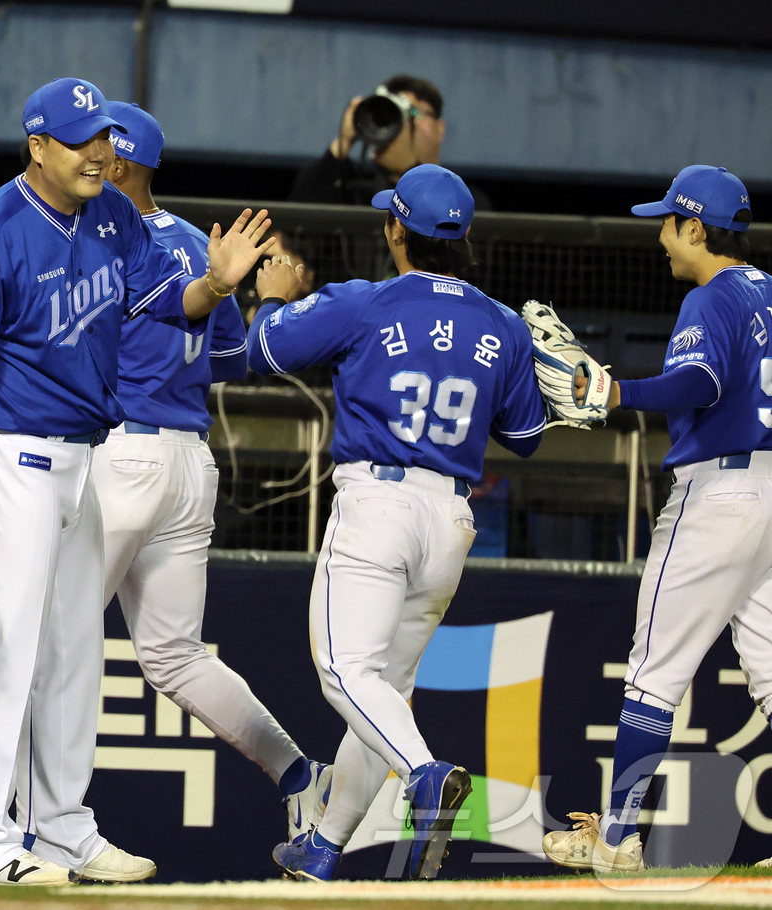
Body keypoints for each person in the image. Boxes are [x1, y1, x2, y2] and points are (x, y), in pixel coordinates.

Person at [0, 101, 334, 847]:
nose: (95, 156)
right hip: (186, 464)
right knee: (164, 654)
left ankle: (29, 830)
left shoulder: (105, 234)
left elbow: (69, 336)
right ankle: (295, 774)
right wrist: (245, 300)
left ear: (120, 161)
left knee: (45, 650)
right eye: (82, 141)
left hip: (112, 455)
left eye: (103, 145)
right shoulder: (194, 241)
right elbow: (231, 360)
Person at [249, 164, 545, 881]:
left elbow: (261, 353)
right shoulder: (504, 325)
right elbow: (527, 435)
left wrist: (270, 299)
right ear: (466, 238)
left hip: (378, 503)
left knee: (346, 673)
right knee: (381, 690)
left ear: (394, 231)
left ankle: (424, 774)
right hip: (450, 518)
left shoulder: (365, 301)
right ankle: (322, 845)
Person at [542, 166, 770, 874]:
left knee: (652, 675)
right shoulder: (768, 291)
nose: (663, 236)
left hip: (721, 493)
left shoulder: (711, 299)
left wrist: (616, 389)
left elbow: (699, 384)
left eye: (669, 223)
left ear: (696, 228)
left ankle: (617, 840)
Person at [288, 76, 489, 211]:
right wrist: (344, 142)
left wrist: (412, 172)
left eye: (414, 112)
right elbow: (301, 210)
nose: (405, 124)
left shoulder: (463, 199)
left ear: (440, 128)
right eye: (397, 115)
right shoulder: (358, 194)